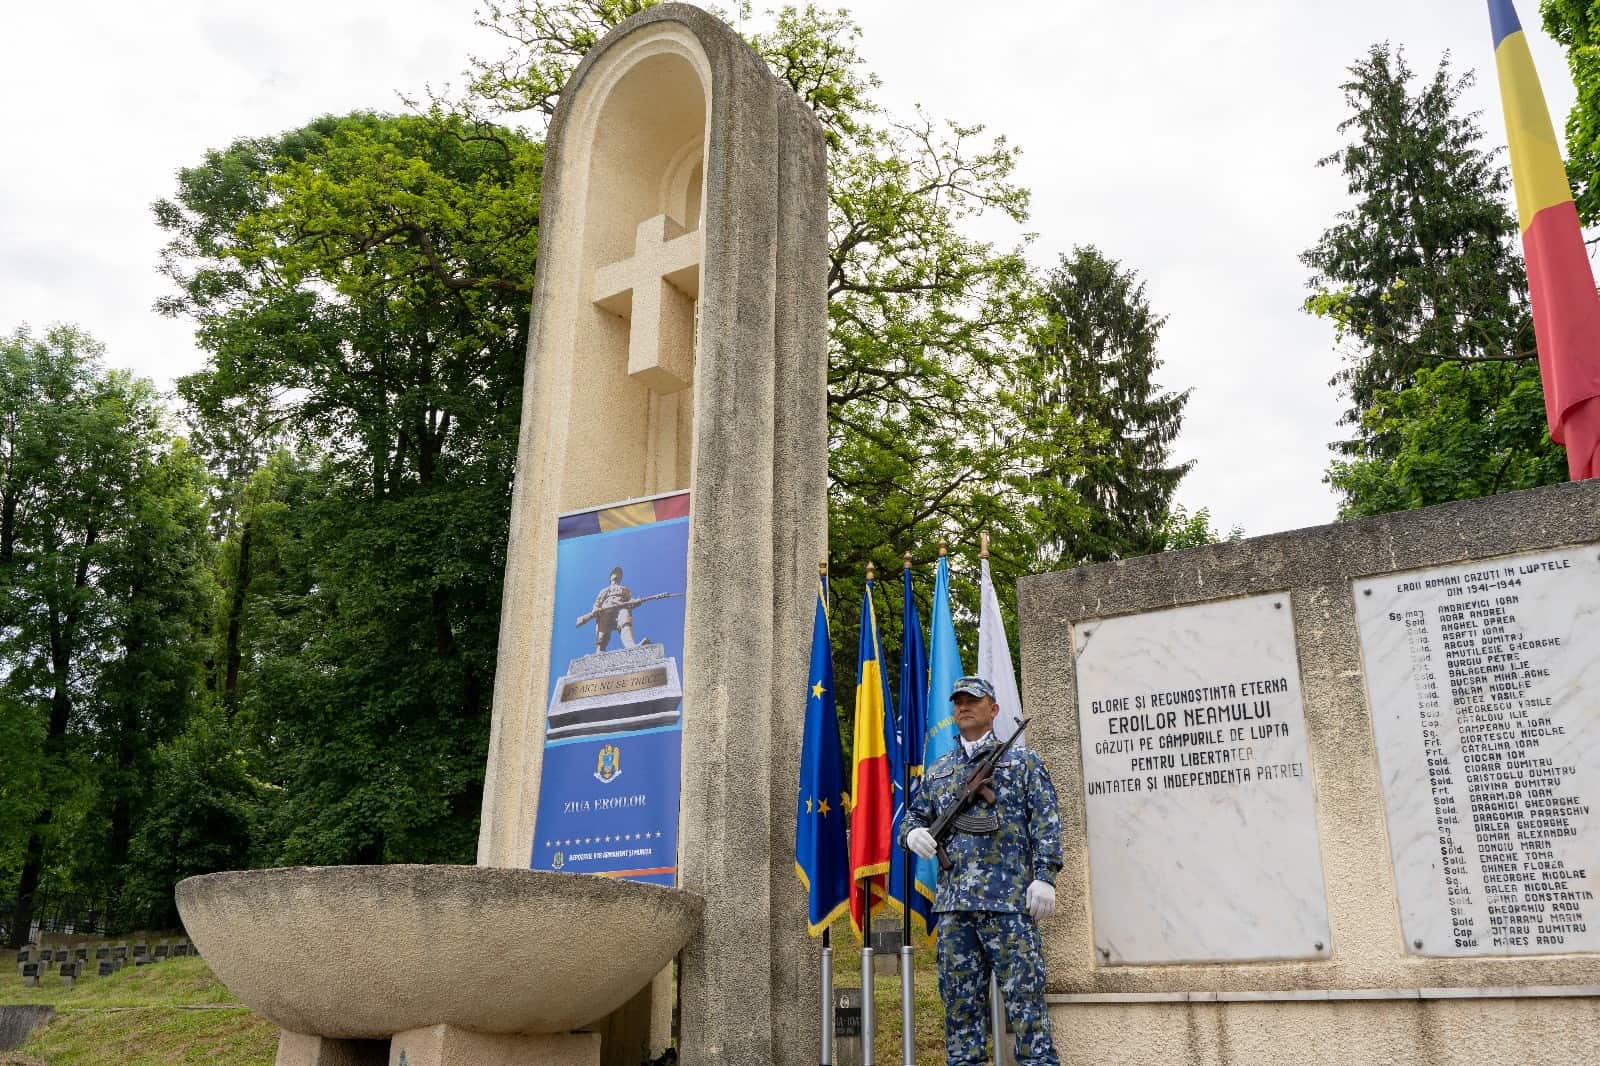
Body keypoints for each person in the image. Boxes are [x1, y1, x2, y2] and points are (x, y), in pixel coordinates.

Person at [902, 676, 1063, 1066]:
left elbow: (1046, 819)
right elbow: (912, 817)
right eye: (958, 701)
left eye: (973, 700)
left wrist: (1045, 875)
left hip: (1009, 903)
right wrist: (913, 835)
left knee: (1026, 1007)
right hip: (955, 908)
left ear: (993, 710)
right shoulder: (940, 769)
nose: (964, 707)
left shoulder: (1021, 761)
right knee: (960, 1010)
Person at [586, 566, 637, 652]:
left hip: (621, 608)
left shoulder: (625, 589)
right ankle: (599, 651)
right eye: (615, 573)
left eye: (619, 574)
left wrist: (635, 601)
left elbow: (630, 600)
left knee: (625, 619)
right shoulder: (604, 590)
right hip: (605, 610)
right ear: (610, 577)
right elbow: (597, 603)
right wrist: (595, 609)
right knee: (603, 632)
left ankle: (630, 646)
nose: (617, 575)